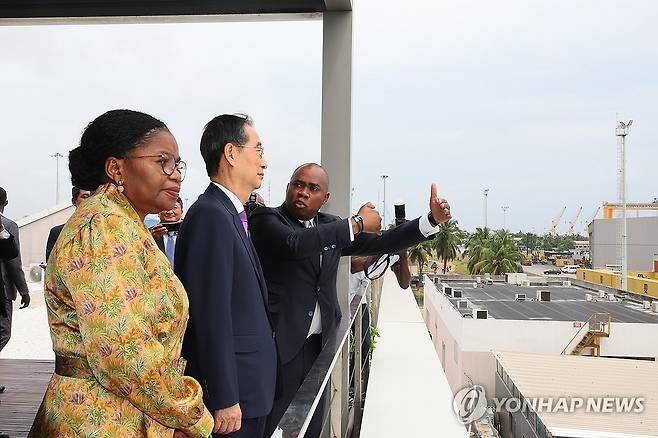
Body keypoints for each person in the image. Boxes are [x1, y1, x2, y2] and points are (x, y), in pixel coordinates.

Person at [29, 109, 213, 438]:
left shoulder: (125, 224)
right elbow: (124, 352)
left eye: (178, 164)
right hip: (100, 419)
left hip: (124, 412)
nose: (176, 175)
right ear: (116, 168)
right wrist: (189, 415)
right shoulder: (102, 225)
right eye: (163, 161)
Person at [249, 163, 452, 437]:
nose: (303, 192)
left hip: (320, 345)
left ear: (325, 198)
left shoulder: (331, 226)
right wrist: (356, 222)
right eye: (298, 184)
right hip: (279, 345)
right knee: (272, 424)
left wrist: (430, 220)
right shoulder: (266, 219)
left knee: (312, 421)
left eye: (313, 188)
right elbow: (296, 243)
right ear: (287, 187)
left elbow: (384, 243)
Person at [175, 114, 276, 438]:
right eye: (258, 150)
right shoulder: (210, 215)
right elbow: (210, 315)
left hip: (250, 391)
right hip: (233, 403)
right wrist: (225, 396)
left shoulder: (230, 214)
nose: (264, 161)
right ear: (231, 153)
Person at [0, 187, 31, 382]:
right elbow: (13, 261)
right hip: (2, 290)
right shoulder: (8, 226)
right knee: (4, 332)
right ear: (6, 203)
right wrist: (24, 290)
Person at [45, 186, 91, 261]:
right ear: (74, 201)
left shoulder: (102, 232)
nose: (90, 200)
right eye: (85, 197)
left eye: (93, 197)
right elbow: (50, 265)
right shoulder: (57, 233)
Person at [150, 197, 184, 267]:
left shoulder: (190, 232)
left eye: (174, 207)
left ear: (181, 212)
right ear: (158, 213)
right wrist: (152, 239)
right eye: (165, 208)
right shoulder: (148, 233)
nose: (169, 212)